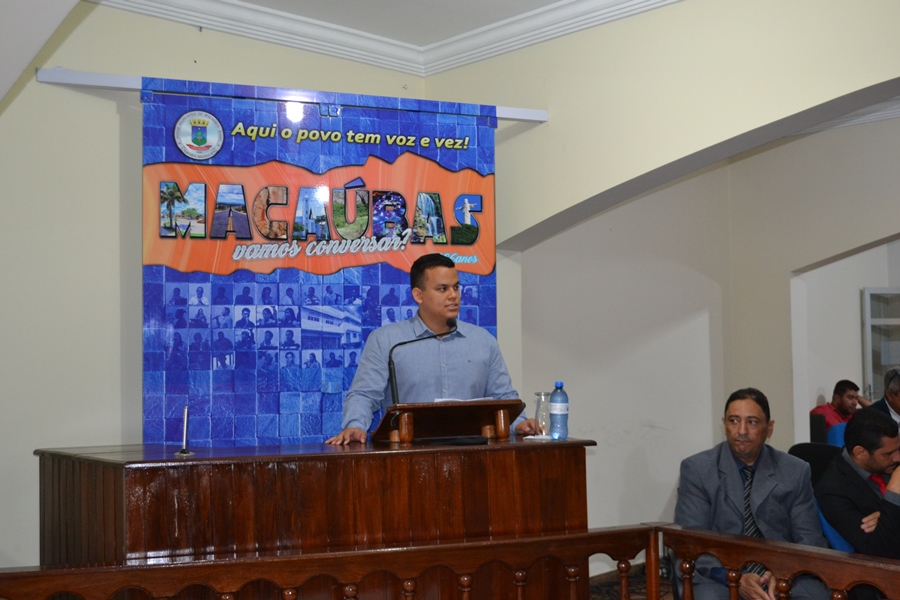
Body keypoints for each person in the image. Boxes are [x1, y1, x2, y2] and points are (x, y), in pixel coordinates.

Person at [327, 253, 535, 445]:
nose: (453, 295)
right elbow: (364, 394)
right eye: (443, 289)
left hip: (473, 454)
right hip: (407, 454)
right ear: (418, 295)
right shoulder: (387, 340)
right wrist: (355, 425)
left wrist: (519, 424)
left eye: (456, 287)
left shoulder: (483, 340)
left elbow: (503, 396)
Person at [674, 388, 829, 600]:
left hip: (784, 569)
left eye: (752, 422)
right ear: (724, 425)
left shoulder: (795, 470)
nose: (742, 431)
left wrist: (784, 573)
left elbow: (809, 538)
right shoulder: (698, 469)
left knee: (816, 595)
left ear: (769, 428)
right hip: (718, 575)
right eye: (734, 421)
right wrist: (734, 578)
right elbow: (692, 543)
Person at [815, 408, 900, 600]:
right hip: (882, 578)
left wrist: (886, 515)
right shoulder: (832, 490)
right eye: (888, 454)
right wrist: (894, 495)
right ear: (860, 453)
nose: (897, 458)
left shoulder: (890, 460)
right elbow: (878, 551)